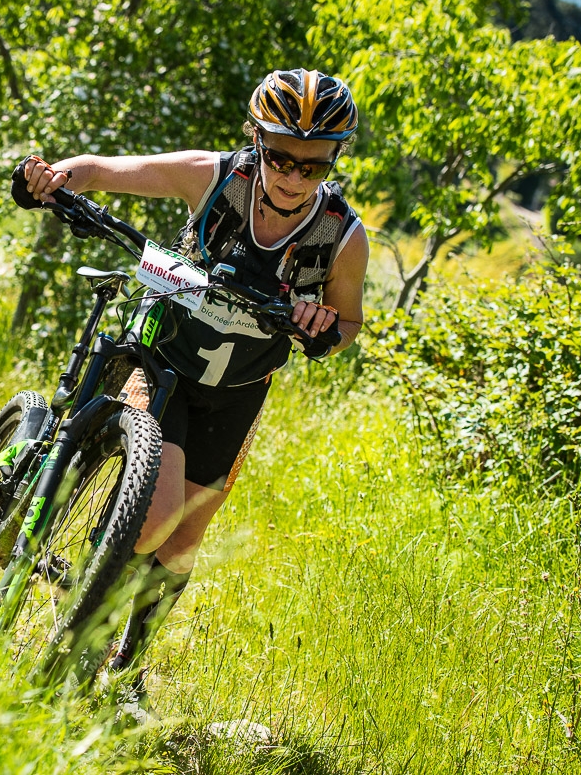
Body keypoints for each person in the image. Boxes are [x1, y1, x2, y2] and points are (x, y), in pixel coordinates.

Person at [22, 69, 368, 700]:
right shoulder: (212, 177)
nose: (293, 176)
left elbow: (349, 321)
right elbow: (99, 169)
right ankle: (77, 638)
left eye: (313, 166)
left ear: (334, 160)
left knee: (184, 538)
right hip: (165, 362)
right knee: (153, 517)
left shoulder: (342, 235)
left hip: (238, 389)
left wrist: (323, 327)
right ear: (256, 141)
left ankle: (128, 666)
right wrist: (51, 176)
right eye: (279, 157)